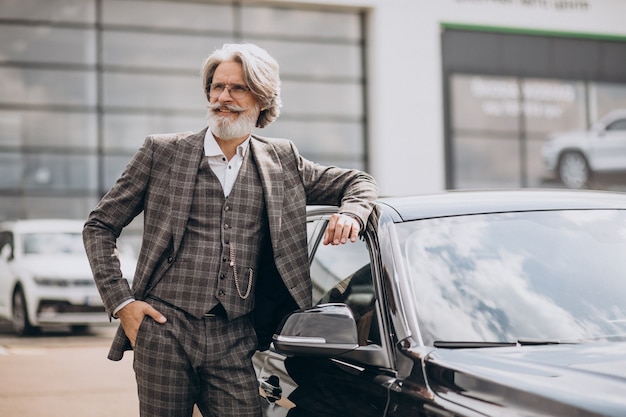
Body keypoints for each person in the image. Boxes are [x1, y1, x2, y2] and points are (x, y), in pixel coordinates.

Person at [82, 43, 378, 417]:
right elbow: (99, 225)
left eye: (237, 88)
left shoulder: (282, 159)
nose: (223, 97)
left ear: (262, 98)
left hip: (236, 336)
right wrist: (122, 304)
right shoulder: (162, 152)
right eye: (217, 87)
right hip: (164, 329)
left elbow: (358, 181)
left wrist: (353, 212)